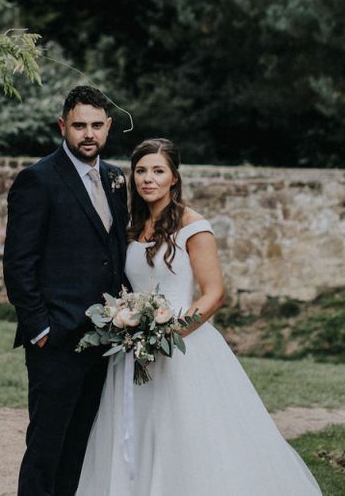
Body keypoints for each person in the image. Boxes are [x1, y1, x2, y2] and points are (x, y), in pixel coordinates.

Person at [77, 138, 322, 495]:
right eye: (141, 171)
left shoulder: (193, 225)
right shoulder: (131, 225)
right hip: (133, 349)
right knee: (137, 430)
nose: (149, 179)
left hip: (182, 346)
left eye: (158, 171)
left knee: (187, 435)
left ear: (174, 178)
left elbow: (214, 293)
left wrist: (169, 334)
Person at [3, 85, 129, 496]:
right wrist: (40, 328)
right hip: (56, 341)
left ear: (108, 127)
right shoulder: (37, 180)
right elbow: (19, 264)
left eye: (96, 125)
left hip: (104, 339)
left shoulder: (115, 179)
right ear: (63, 126)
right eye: (79, 126)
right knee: (46, 448)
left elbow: (113, 252)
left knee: (80, 447)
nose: (88, 134)